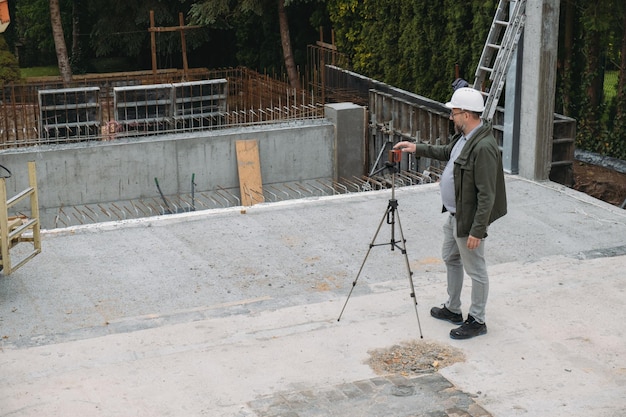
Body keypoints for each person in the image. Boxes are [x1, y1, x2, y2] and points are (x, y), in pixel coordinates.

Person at [393, 87, 507, 339]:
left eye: (454, 112)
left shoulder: (484, 146)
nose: (451, 117)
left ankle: (477, 320)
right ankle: (453, 309)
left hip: (467, 221)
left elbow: (487, 194)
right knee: (451, 258)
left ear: (466, 114)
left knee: (476, 270)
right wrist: (416, 147)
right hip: (454, 215)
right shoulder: (465, 137)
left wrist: (478, 230)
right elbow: (446, 153)